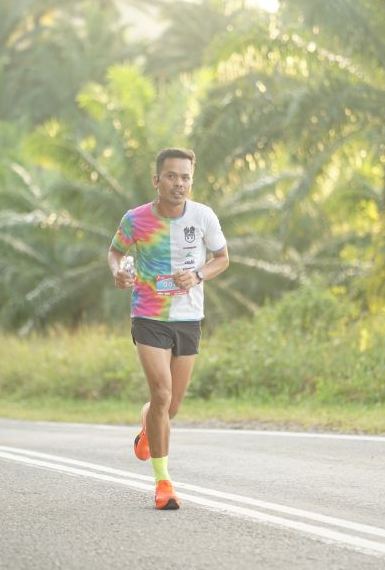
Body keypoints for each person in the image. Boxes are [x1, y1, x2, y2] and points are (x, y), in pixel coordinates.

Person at [108, 148, 229, 510]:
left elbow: (222, 258)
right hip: (149, 315)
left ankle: (150, 426)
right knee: (160, 393)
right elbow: (115, 252)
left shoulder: (203, 216)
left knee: (170, 407)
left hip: (188, 318)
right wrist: (118, 271)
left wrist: (197, 275)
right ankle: (163, 484)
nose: (179, 183)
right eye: (172, 176)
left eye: (185, 177)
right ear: (156, 180)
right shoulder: (136, 219)